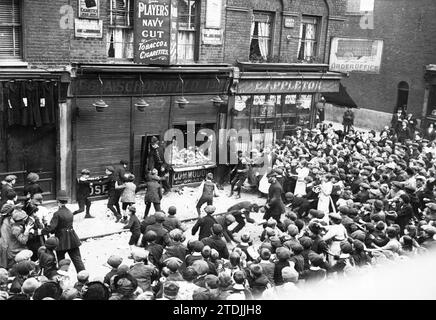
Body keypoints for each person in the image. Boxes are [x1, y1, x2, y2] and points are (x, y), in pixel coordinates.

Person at [42, 190, 85, 273]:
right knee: (77, 259)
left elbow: (52, 227)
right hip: (72, 238)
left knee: (61, 260)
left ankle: (63, 276)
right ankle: (83, 276)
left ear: (58, 201)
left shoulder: (57, 214)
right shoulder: (69, 212)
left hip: (61, 239)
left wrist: (43, 231)